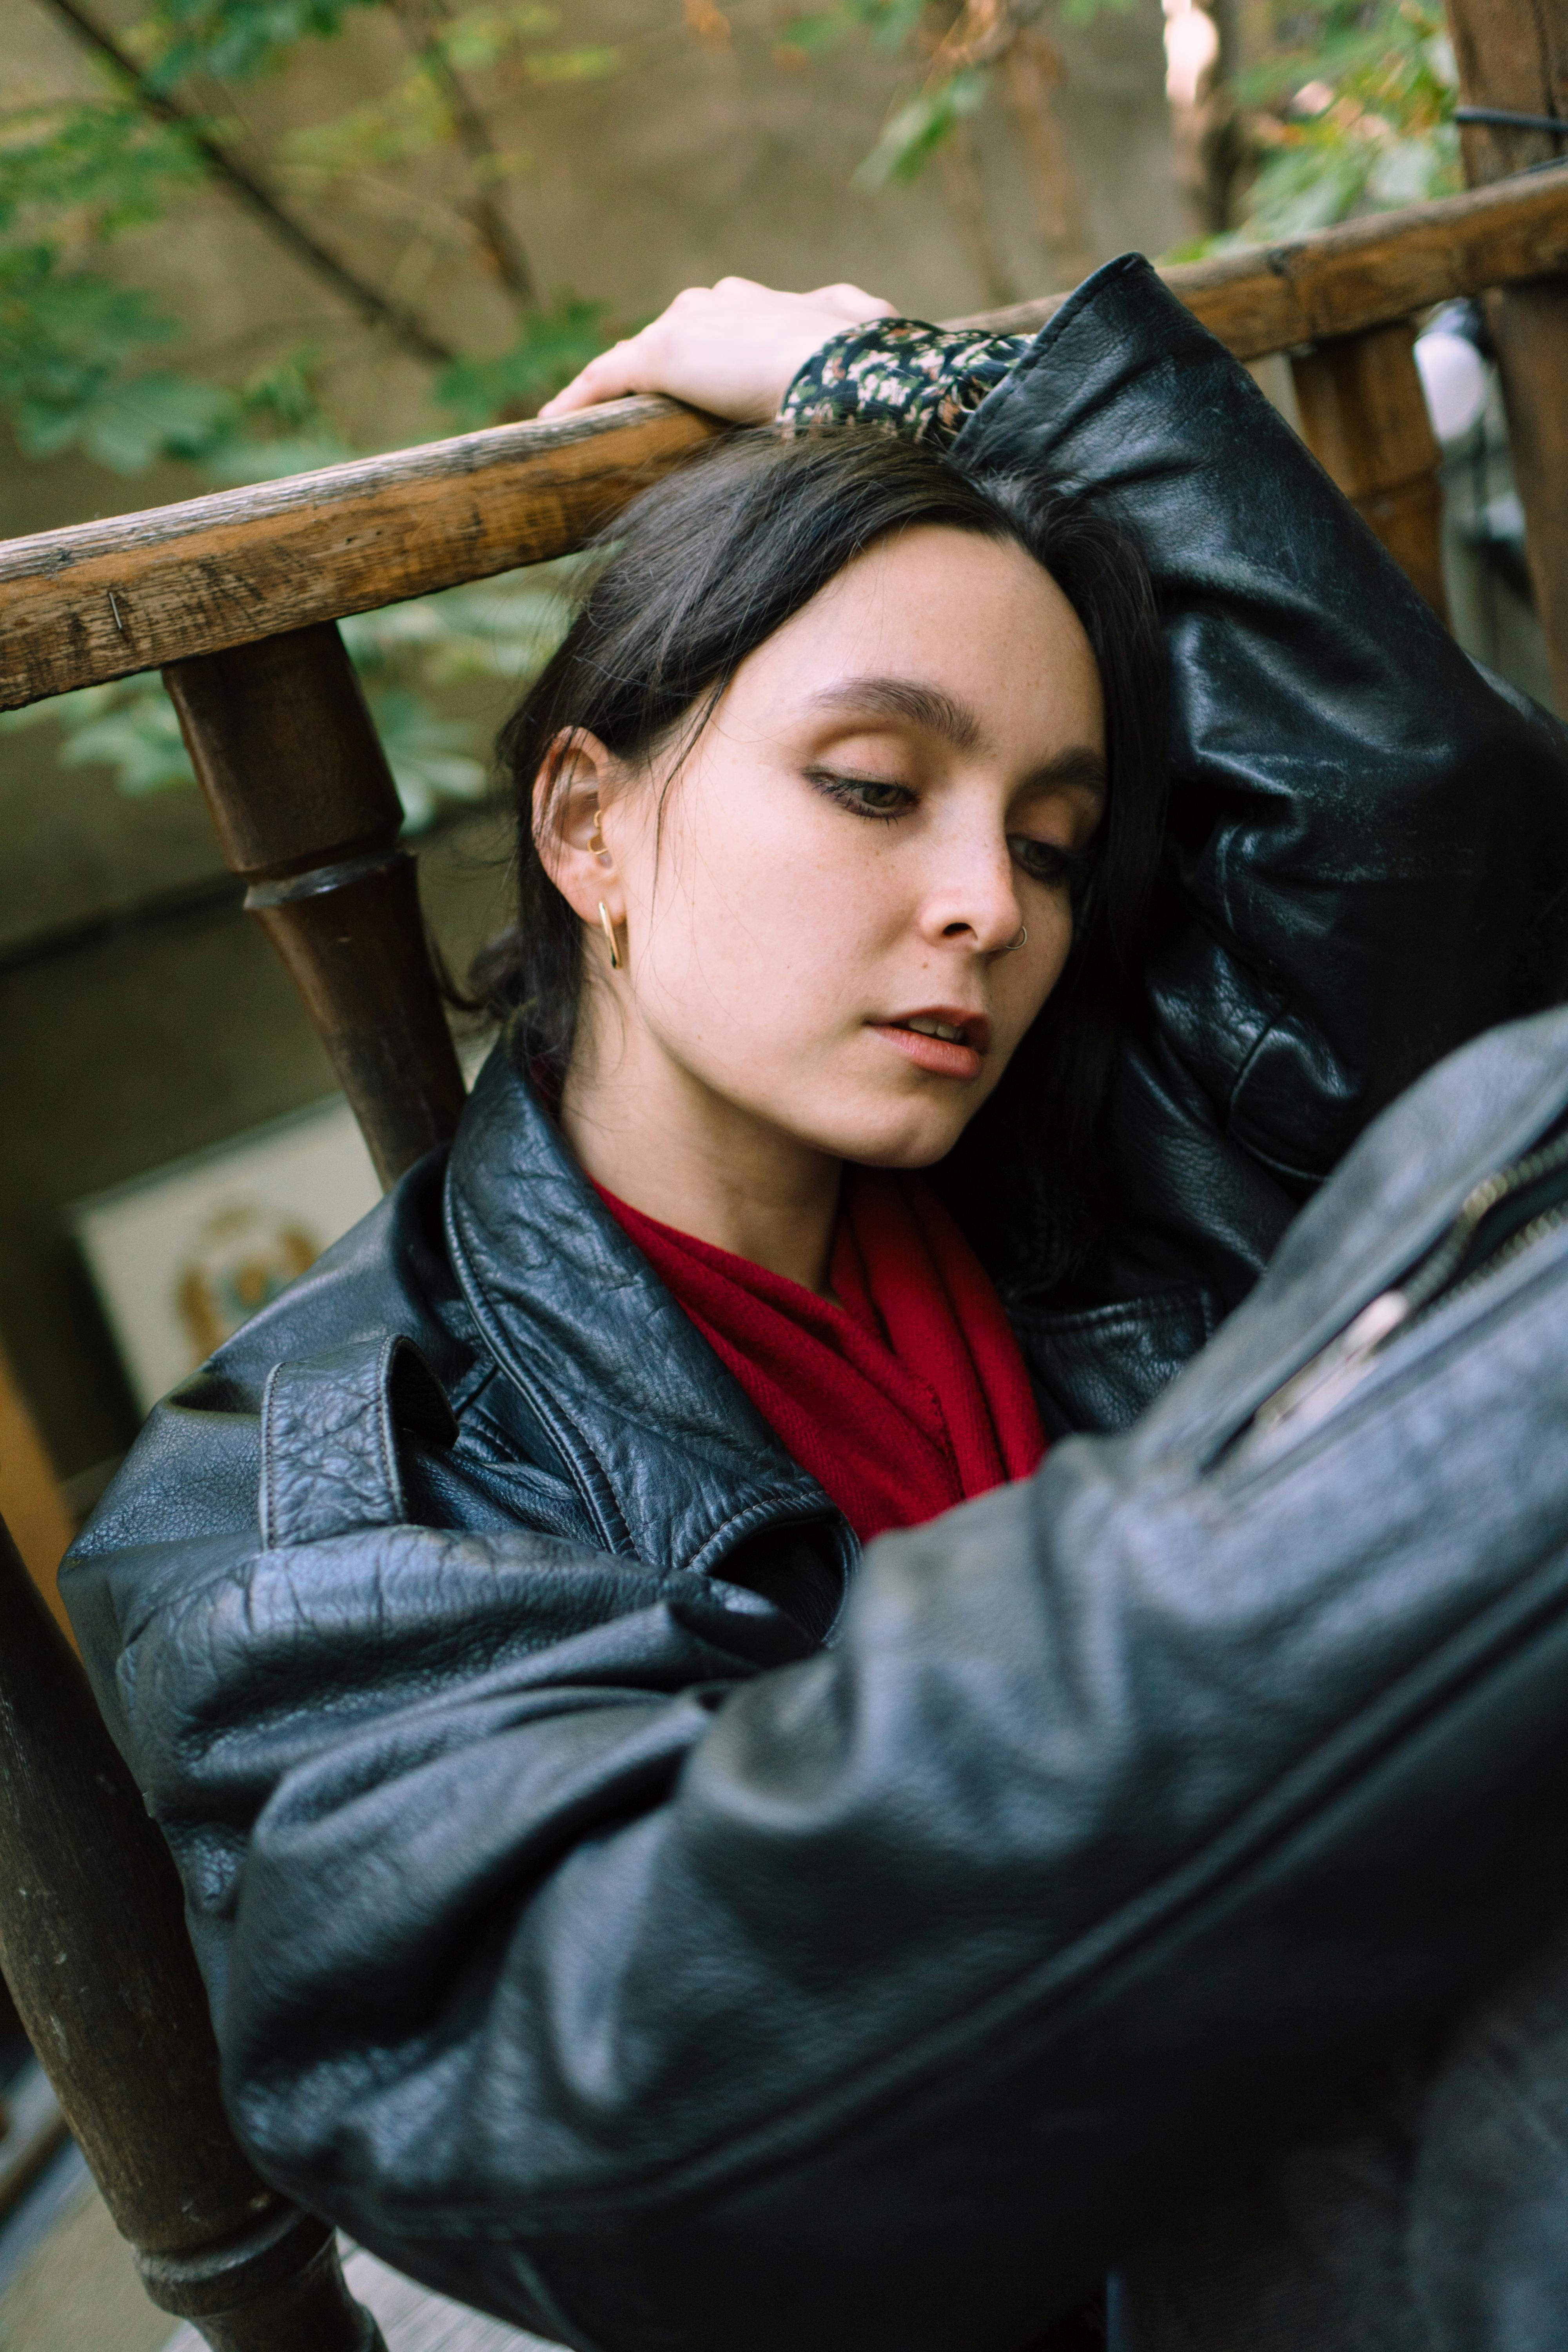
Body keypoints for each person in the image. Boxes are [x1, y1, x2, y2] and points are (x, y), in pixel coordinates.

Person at [61, 257, 1568, 2352]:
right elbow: (598, 2056)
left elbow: (1419, 810)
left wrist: (901, 378)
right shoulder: (325, 1480)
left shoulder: (1126, 1156)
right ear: (588, 820)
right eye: (875, 786)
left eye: (1053, 845)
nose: (988, 903)